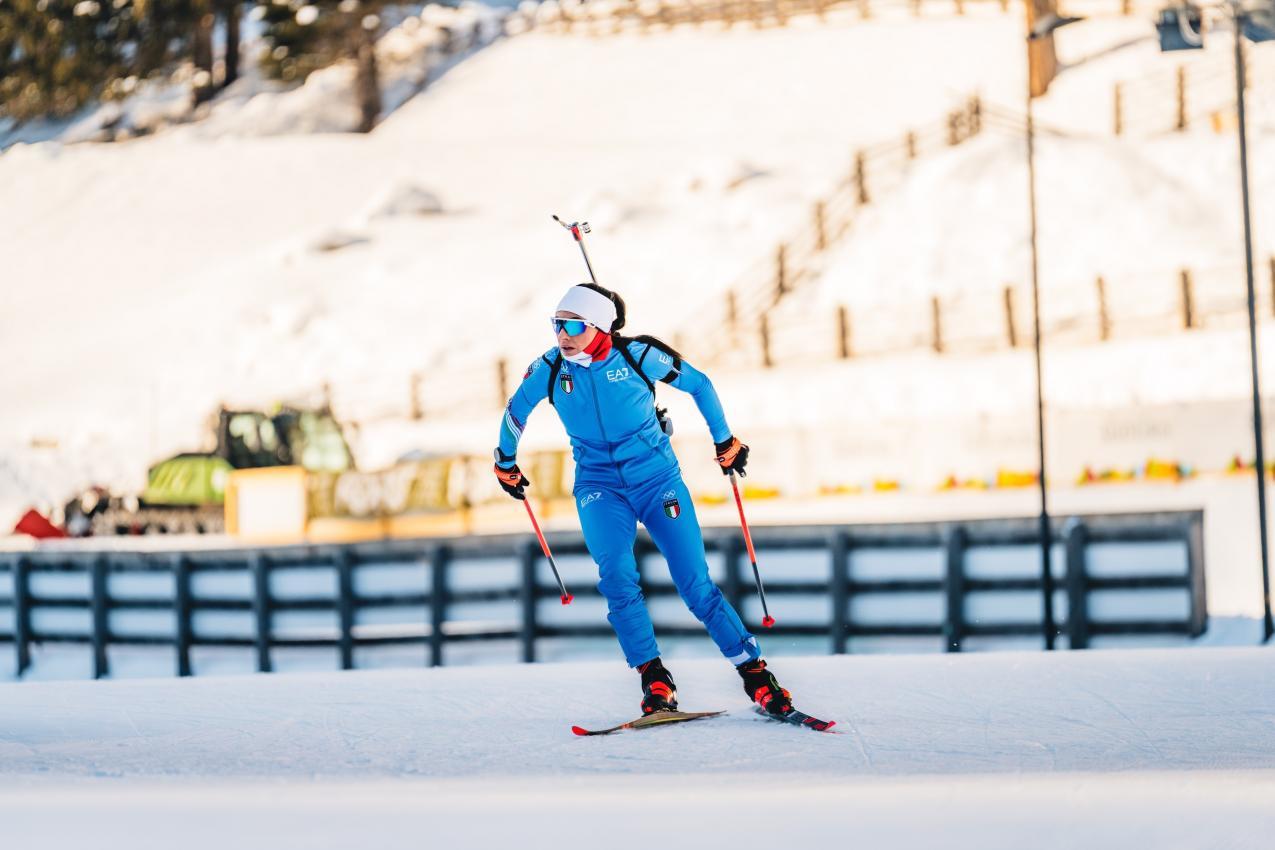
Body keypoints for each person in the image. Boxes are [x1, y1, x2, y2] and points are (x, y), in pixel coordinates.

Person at [492, 282, 794, 718]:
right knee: (616, 576)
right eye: (556, 325)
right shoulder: (551, 369)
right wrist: (505, 461)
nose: (562, 335)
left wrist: (724, 438)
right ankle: (654, 678)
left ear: (599, 326)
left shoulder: (638, 356)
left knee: (695, 585)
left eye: (573, 325)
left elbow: (700, 385)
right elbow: (515, 412)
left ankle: (756, 675)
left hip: (657, 480)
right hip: (599, 485)